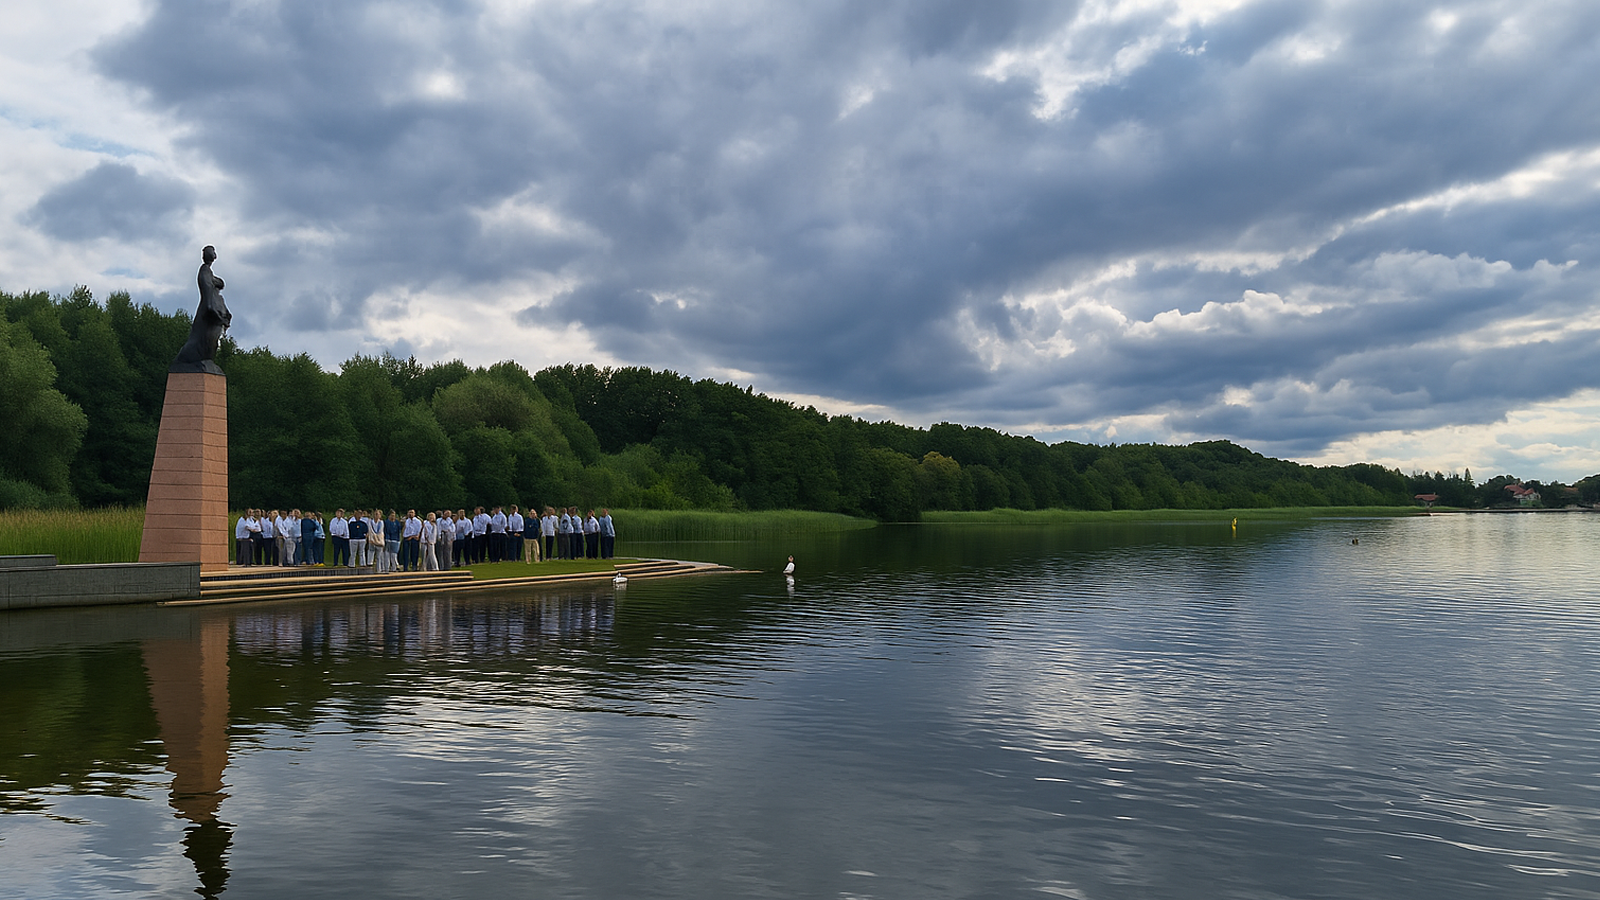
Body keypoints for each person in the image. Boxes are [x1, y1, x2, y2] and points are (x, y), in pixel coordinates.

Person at [171, 245, 232, 373]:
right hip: (207, 315)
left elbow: (216, 288)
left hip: (210, 315)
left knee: (210, 344)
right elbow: (208, 300)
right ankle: (191, 362)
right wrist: (218, 316)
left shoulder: (208, 273)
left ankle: (205, 362)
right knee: (202, 342)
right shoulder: (204, 272)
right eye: (212, 252)